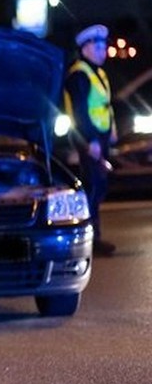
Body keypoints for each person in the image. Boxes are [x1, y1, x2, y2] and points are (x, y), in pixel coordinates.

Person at [63, 23, 117, 256]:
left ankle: (92, 237)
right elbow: (81, 111)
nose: (103, 51)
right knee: (92, 187)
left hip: (99, 138)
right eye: (98, 47)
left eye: (104, 47)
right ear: (85, 48)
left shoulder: (97, 72)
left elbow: (104, 105)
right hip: (88, 139)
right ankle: (92, 240)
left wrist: (111, 130)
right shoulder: (79, 74)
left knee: (98, 186)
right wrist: (92, 140)